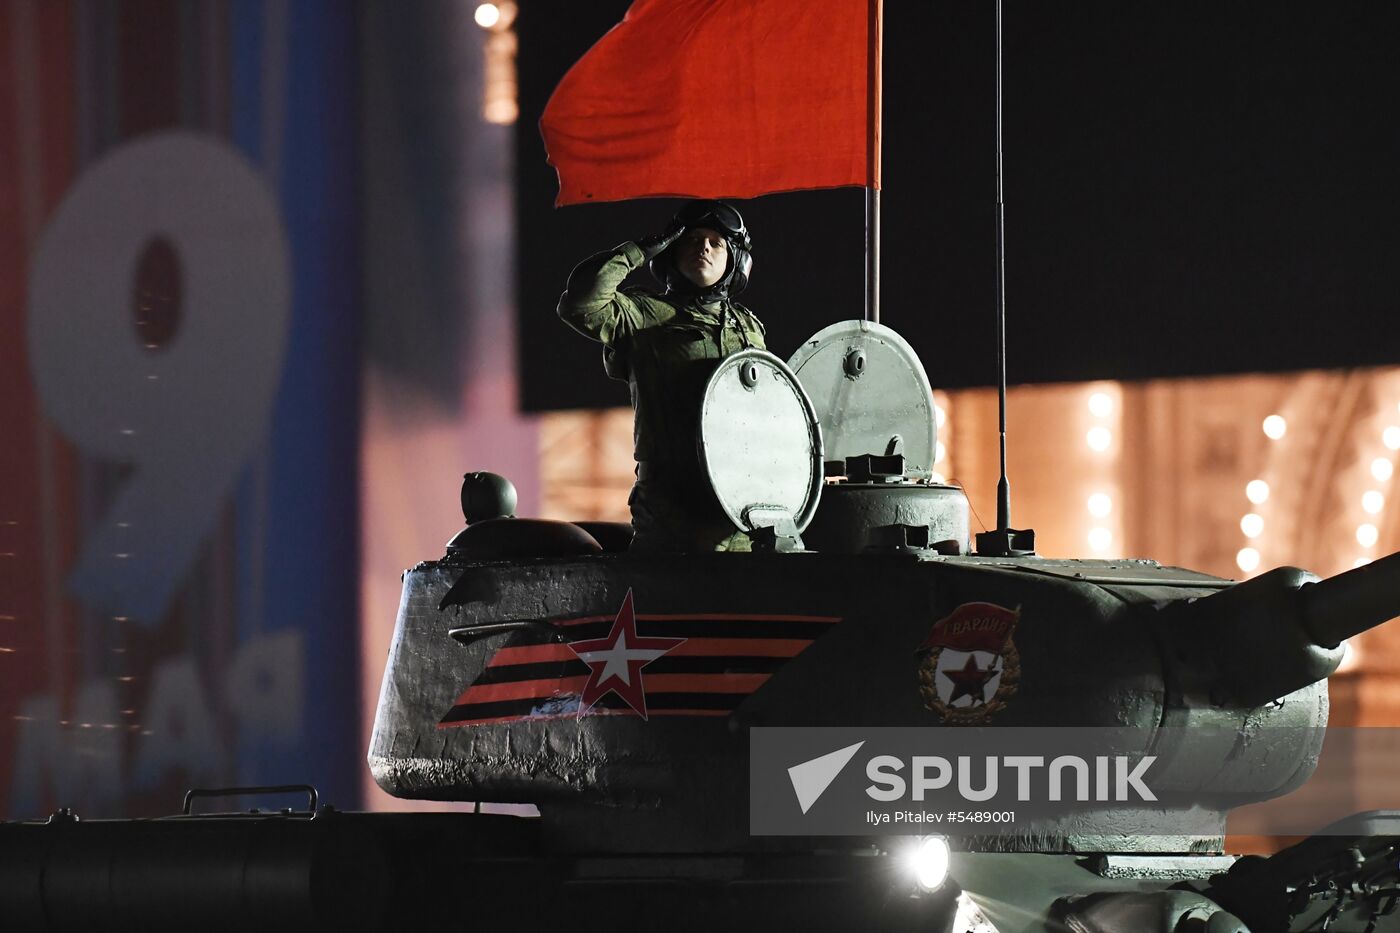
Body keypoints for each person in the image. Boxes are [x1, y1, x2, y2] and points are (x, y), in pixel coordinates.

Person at [558, 199, 766, 552]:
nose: (704, 247)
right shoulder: (644, 315)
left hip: (740, 518)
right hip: (671, 521)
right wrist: (637, 251)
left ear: (735, 261)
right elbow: (580, 303)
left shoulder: (749, 329)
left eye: (716, 243)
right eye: (692, 239)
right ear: (670, 251)